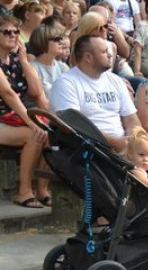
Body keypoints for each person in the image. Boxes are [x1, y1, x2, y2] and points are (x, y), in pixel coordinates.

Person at [51, 35, 140, 153]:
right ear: (88, 57)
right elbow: (74, 126)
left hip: (123, 150)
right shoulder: (66, 83)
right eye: (104, 52)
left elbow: (131, 119)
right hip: (89, 151)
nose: (110, 55)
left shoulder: (116, 81)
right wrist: (116, 143)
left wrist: (134, 141)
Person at [0, 20, 51, 207]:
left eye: (15, 32)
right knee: (34, 135)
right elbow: (8, 94)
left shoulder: (15, 60)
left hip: (13, 118)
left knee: (50, 132)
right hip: (3, 118)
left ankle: (42, 189)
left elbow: (36, 91)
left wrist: (23, 60)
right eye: (6, 32)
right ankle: (24, 191)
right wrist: (31, 122)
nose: (13, 35)